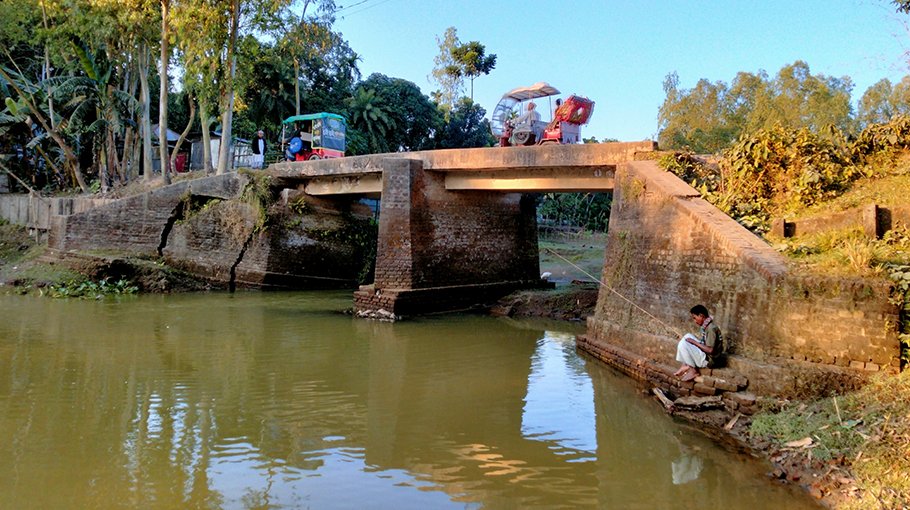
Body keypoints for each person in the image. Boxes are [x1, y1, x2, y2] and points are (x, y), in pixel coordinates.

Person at [674, 304, 723, 382]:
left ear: (701, 316)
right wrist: (689, 341)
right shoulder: (707, 326)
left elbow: (710, 350)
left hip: (710, 360)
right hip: (707, 355)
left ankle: (693, 370)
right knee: (686, 337)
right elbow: (704, 343)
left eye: (695, 318)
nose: (695, 321)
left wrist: (693, 342)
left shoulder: (711, 329)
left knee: (682, 344)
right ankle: (685, 365)